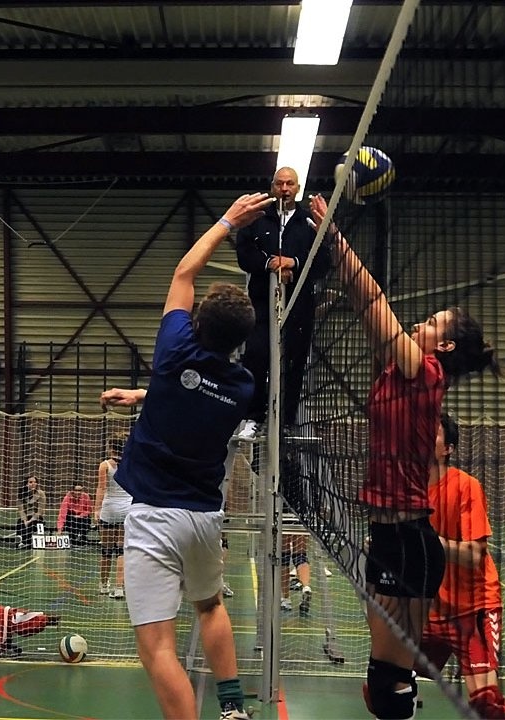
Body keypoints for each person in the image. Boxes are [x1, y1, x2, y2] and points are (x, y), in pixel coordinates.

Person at [309, 193, 501, 720]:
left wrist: (336, 236)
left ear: (445, 347)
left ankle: (403, 699)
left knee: (387, 685)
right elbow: (366, 308)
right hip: (387, 535)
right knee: (384, 682)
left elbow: (376, 301)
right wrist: (334, 262)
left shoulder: (426, 372)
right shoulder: (398, 370)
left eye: (432, 322)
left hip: (410, 542)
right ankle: (402, 696)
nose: (420, 323)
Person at [99, 191, 272, 720]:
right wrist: (142, 394)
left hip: (155, 515)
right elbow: (190, 393)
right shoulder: (241, 386)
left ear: (196, 323)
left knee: (157, 649)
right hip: (204, 519)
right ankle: (233, 709)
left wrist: (227, 222)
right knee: (210, 604)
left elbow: (183, 272)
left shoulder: (175, 348)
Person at [421, 413, 505, 719]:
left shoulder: (466, 487)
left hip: (473, 609)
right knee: (385, 684)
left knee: (487, 705)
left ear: (447, 448)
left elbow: (474, 555)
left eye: (433, 432)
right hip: (431, 609)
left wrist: (427, 543)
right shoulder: (409, 492)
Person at [234, 167, 332, 441]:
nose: (285, 189)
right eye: (280, 184)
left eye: (290, 184)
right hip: (261, 304)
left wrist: (294, 263)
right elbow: (244, 255)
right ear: (272, 187)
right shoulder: (257, 219)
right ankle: (253, 418)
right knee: (256, 355)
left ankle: (286, 422)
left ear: (298, 188)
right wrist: (270, 263)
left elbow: (323, 262)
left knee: (294, 362)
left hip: (299, 307)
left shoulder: (308, 222)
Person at [94, 433, 130, 599]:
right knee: (121, 550)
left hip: (109, 509)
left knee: (106, 550)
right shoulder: (131, 463)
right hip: (127, 509)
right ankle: (119, 587)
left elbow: (101, 488)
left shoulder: (105, 465)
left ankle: (103, 585)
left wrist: (97, 509)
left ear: (110, 448)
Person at [280, 533, 312, 615]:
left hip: (283, 525)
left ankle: (286, 599)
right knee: (300, 555)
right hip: (301, 524)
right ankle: (306, 587)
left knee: (283, 556)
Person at [14, 476, 48, 549]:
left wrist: (30, 521)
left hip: (37, 517)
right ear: (26, 484)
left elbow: (40, 511)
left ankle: (26, 542)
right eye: (30, 482)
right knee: (20, 523)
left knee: (31, 524)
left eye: (35, 482)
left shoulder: (41, 494)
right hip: (26, 517)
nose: (33, 484)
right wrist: (25, 520)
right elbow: (21, 510)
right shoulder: (21, 494)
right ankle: (19, 541)